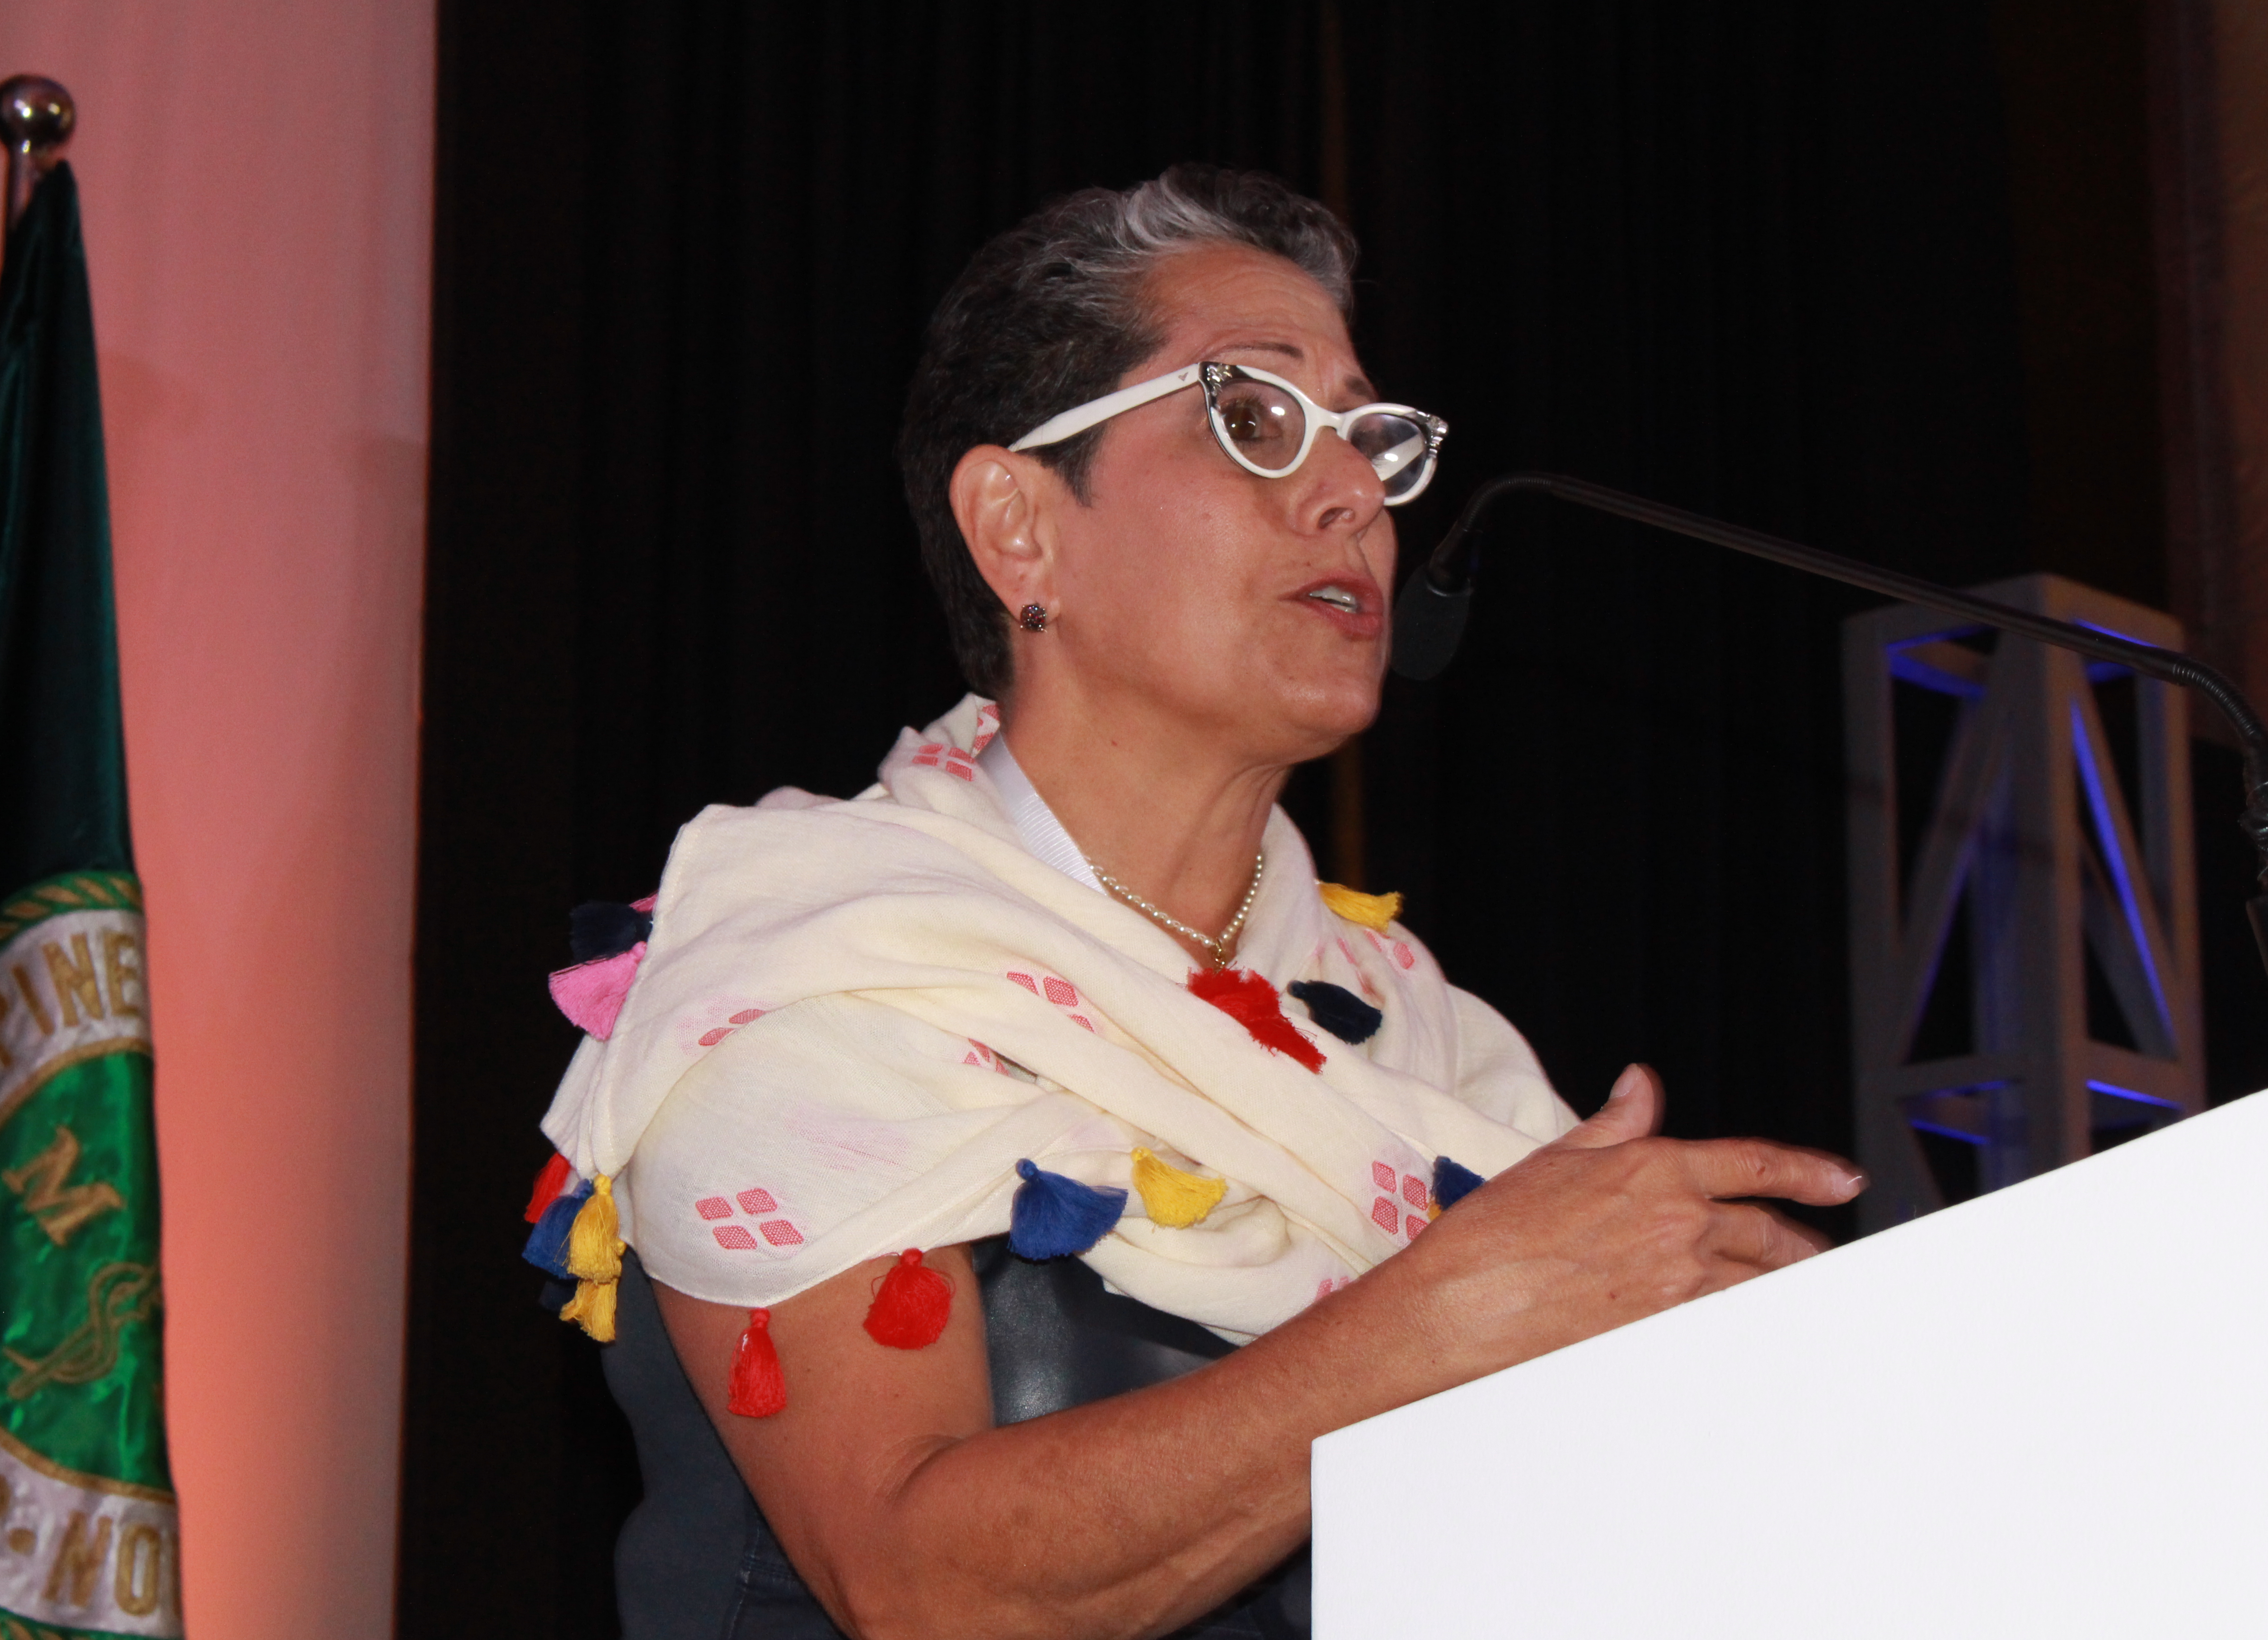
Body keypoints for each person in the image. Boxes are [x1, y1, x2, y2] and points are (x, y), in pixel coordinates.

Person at [528, 164, 1861, 1640]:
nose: (1353, 491)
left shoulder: (1420, 1038)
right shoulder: (818, 963)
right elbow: (918, 1589)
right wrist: (1441, 1323)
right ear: (1020, 529)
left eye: (1369, 439)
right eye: (1258, 418)